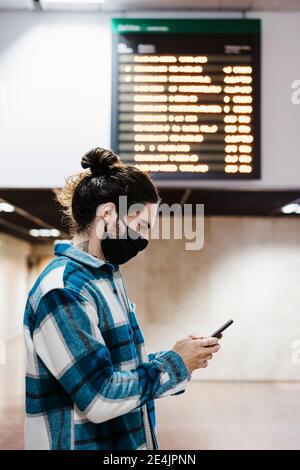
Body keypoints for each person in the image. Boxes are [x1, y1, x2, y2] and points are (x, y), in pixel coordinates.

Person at [23, 147, 221, 450]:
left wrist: (182, 358)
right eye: (140, 226)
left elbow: (117, 372)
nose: (144, 239)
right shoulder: (63, 290)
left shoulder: (105, 278)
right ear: (108, 214)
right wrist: (175, 364)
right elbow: (100, 396)